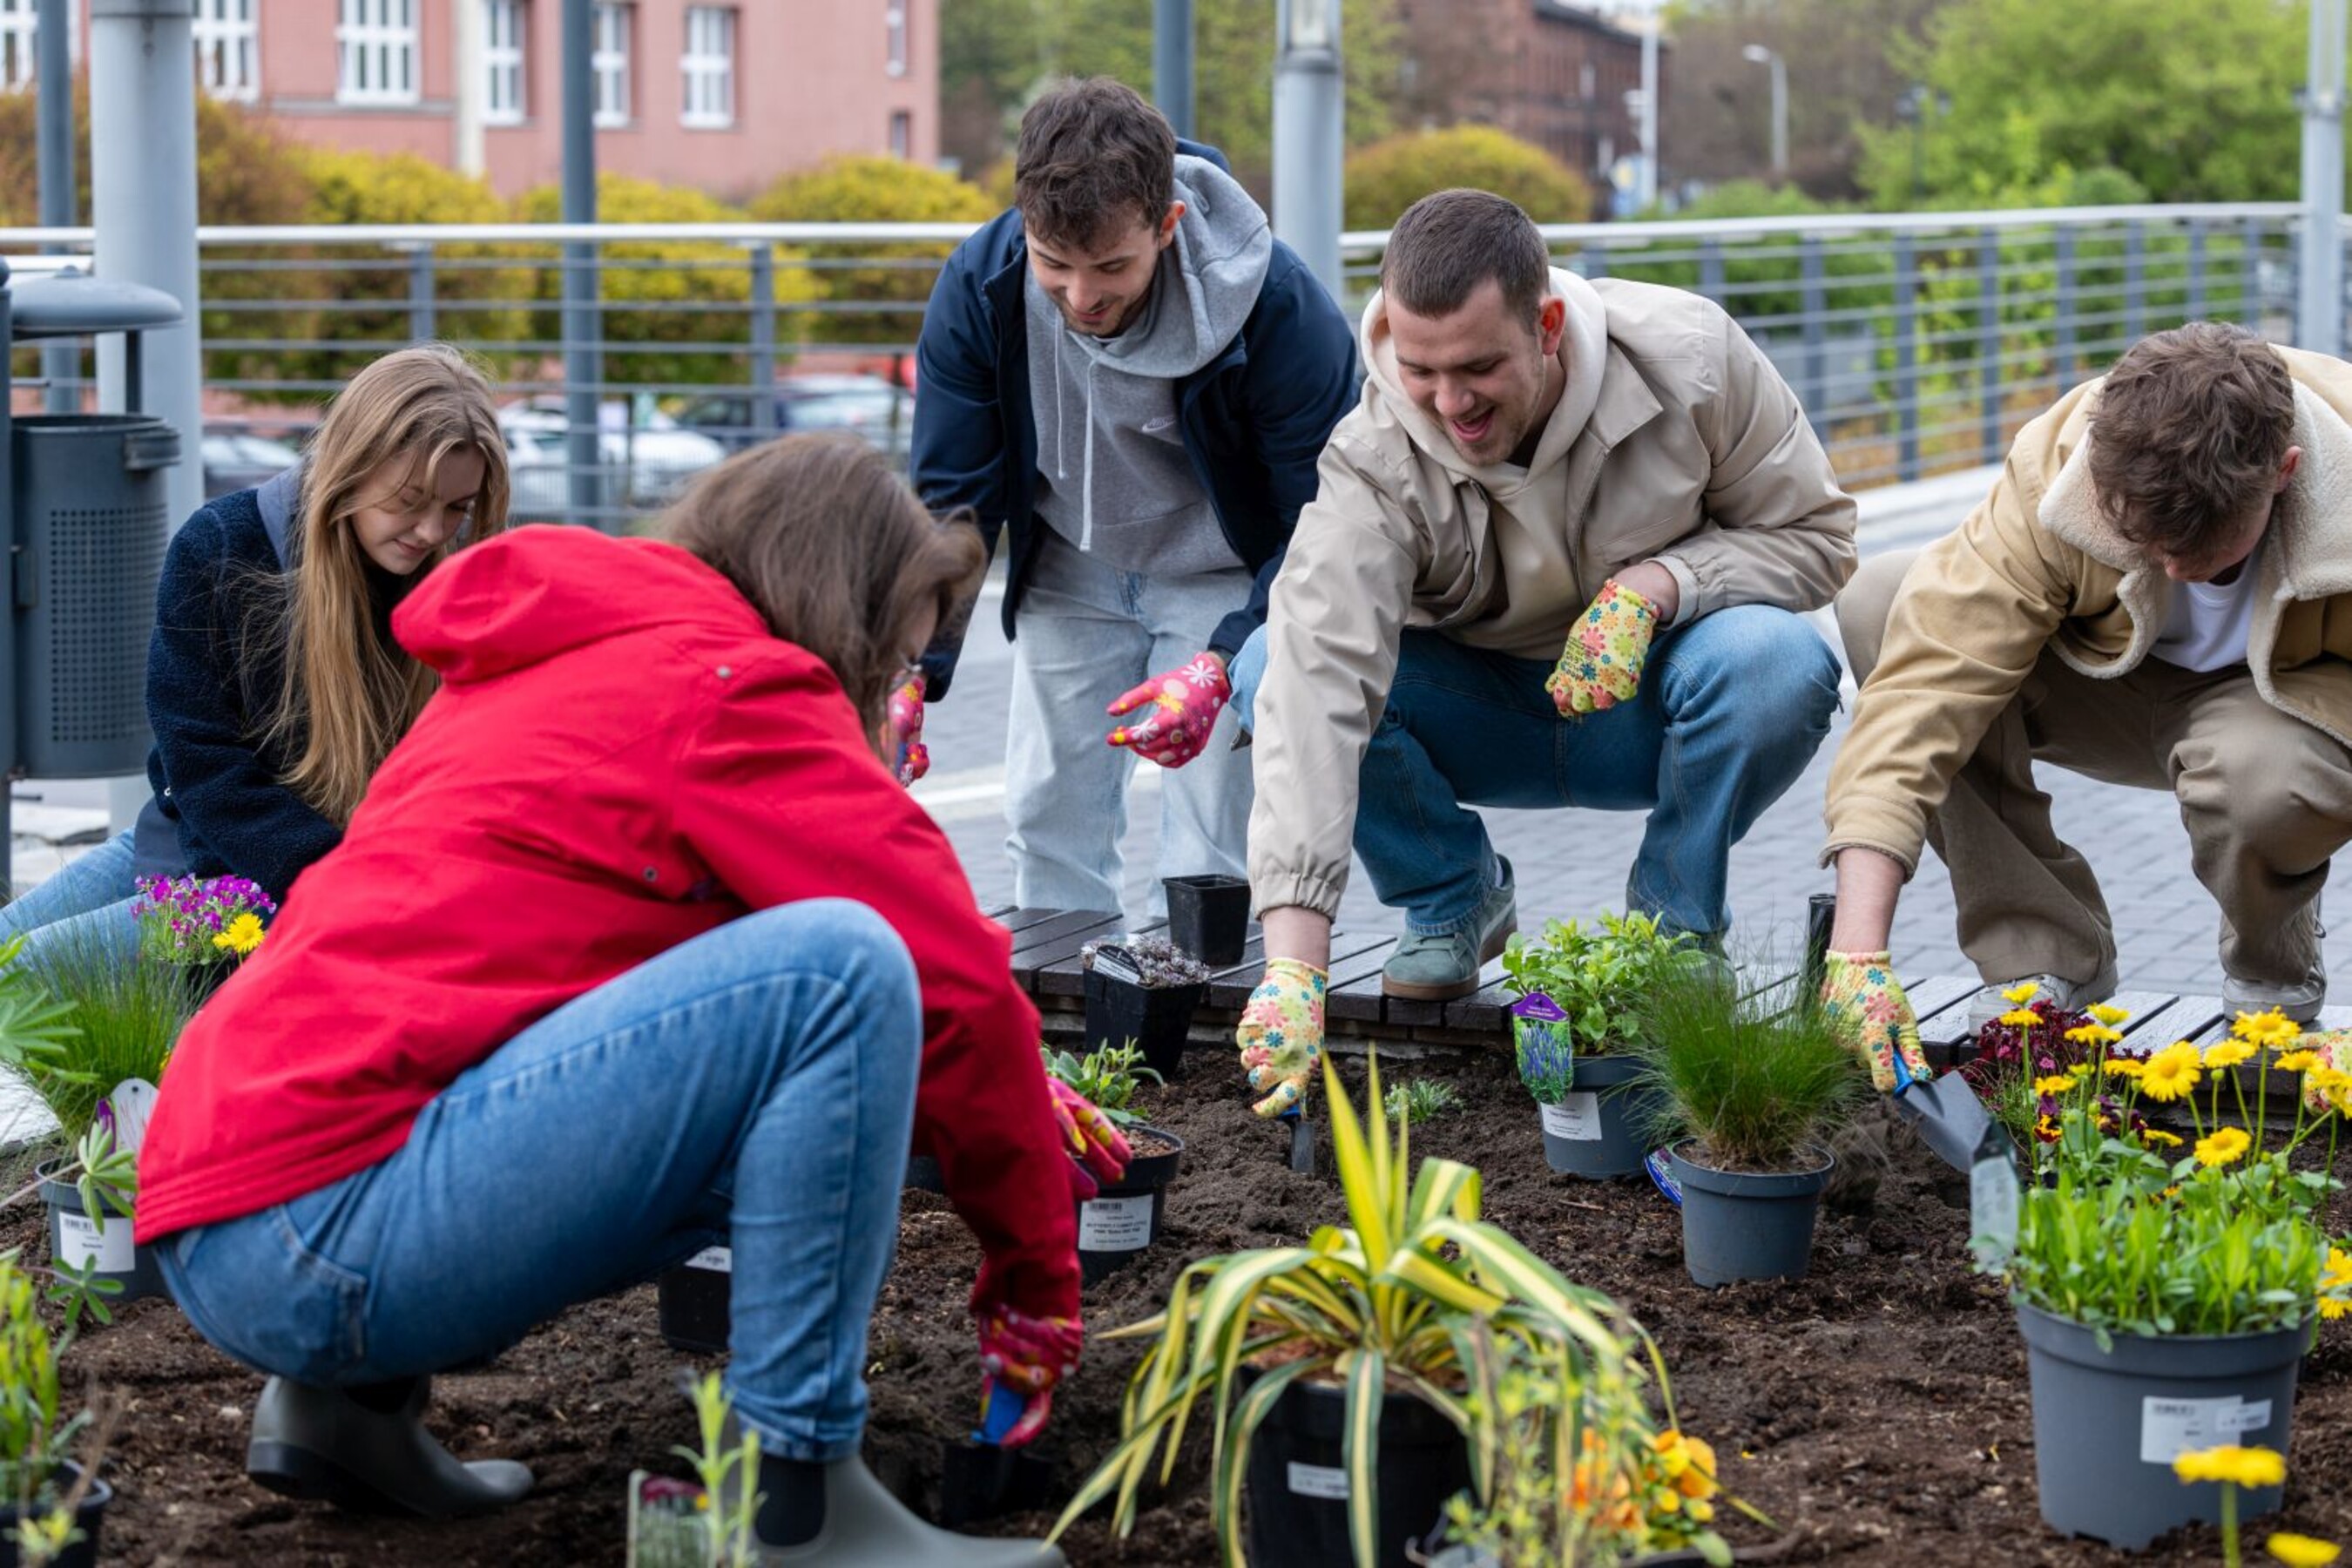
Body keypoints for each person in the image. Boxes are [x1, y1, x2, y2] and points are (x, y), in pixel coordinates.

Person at [136, 436, 1114, 1566]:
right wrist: (1035, 1278)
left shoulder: (538, 666)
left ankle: (341, 1412)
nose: (885, 697)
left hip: (222, 1208)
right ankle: (803, 1504)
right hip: (330, 1231)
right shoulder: (731, 683)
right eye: (886, 661)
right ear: (836, 607)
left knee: (768, 1029)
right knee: (843, 970)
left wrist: (988, 1110)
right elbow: (953, 976)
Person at [1228, 188, 1855, 1116]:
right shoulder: (1374, 457)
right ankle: (1452, 894)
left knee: (1781, 659)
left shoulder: (1694, 362)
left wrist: (1659, 588)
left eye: (1479, 367)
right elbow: (1314, 678)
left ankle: (1673, 932)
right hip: (1475, 719)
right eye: (1422, 370)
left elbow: (1818, 538)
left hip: (1645, 707)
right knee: (1267, 666)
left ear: (1549, 324)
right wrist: (1293, 962)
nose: (1450, 404)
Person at [1821, 323, 2352, 1077]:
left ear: (2284, 472)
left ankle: (2273, 963)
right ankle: (2044, 953)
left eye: (2201, 552)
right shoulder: (2062, 467)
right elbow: (1919, 696)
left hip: (2278, 709)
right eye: (2146, 543)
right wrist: (1857, 953)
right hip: (2100, 684)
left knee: (2262, 783)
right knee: (1886, 602)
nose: (2170, 566)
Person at [910, 76, 1358, 918]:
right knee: (1047, 815)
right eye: (1056, 265)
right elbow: (951, 503)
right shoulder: (983, 285)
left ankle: (1201, 1038)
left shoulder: (1277, 307)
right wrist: (906, 662)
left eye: (1112, 266)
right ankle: (1071, 1040)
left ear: (1168, 224)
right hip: (1070, 564)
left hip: (1220, 574)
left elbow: (1321, 521)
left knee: (1212, 844)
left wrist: (1228, 657)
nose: (1082, 298)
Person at [0, 342, 510, 959]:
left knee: (19, 982)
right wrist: (333, 879)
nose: (432, 531)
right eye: (409, 501)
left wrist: (350, 892)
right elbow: (202, 765)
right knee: (7, 955)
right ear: (352, 466)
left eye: (455, 508)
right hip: (215, 852)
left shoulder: (463, 586)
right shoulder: (222, 547)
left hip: (310, 901)